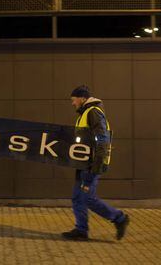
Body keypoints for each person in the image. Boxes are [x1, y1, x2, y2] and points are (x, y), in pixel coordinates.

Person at [62, 85, 129, 241]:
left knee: (87, 198)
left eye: (74, 100)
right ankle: (81, 230)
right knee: (78, 197)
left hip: (92, 164)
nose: (73, 103)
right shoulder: (85, 113)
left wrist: (96, 167)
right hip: (83, 163)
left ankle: (119, 219)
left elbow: (102, 140)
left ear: (83, 98)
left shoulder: (93, 113)